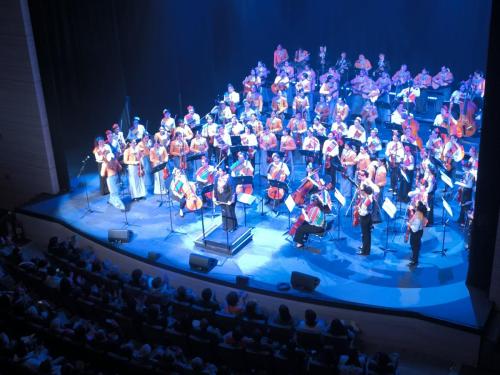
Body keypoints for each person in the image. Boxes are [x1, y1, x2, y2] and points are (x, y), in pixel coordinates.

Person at [406, 201, 428, 266]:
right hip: (420, 232)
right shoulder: (420, 213)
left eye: (416, 206)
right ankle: (414, 257)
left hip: (416, 233)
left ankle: (415, 261)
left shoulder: (418, 217)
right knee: (416, 246)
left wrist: (409, 224)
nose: (415, 206)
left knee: (414, 246)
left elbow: (415, 229)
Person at [357, 185, 374, 255]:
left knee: (365, 235)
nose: (362, 192)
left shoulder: (368, 200)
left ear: (366, 192)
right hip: (368, 218)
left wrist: (359, 210)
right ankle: (365, 247)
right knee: (366, 234)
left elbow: (363, 212)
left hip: (365, 218)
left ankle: (365, 251)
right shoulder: (368, 197)